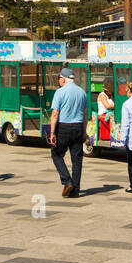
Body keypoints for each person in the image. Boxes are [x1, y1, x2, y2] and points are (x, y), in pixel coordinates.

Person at [48, 67, 88, 198]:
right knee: (77, 159)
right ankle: (75, 189)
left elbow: (55, 114)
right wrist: (84, 131)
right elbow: (86, 114)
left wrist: (52, 132)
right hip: (78, 126)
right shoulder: (82, 92)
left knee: (56, 154)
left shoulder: (60, 92)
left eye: (59, 78)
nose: (58, 81)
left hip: (63, 127)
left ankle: (67, 181)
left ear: (64, 79)